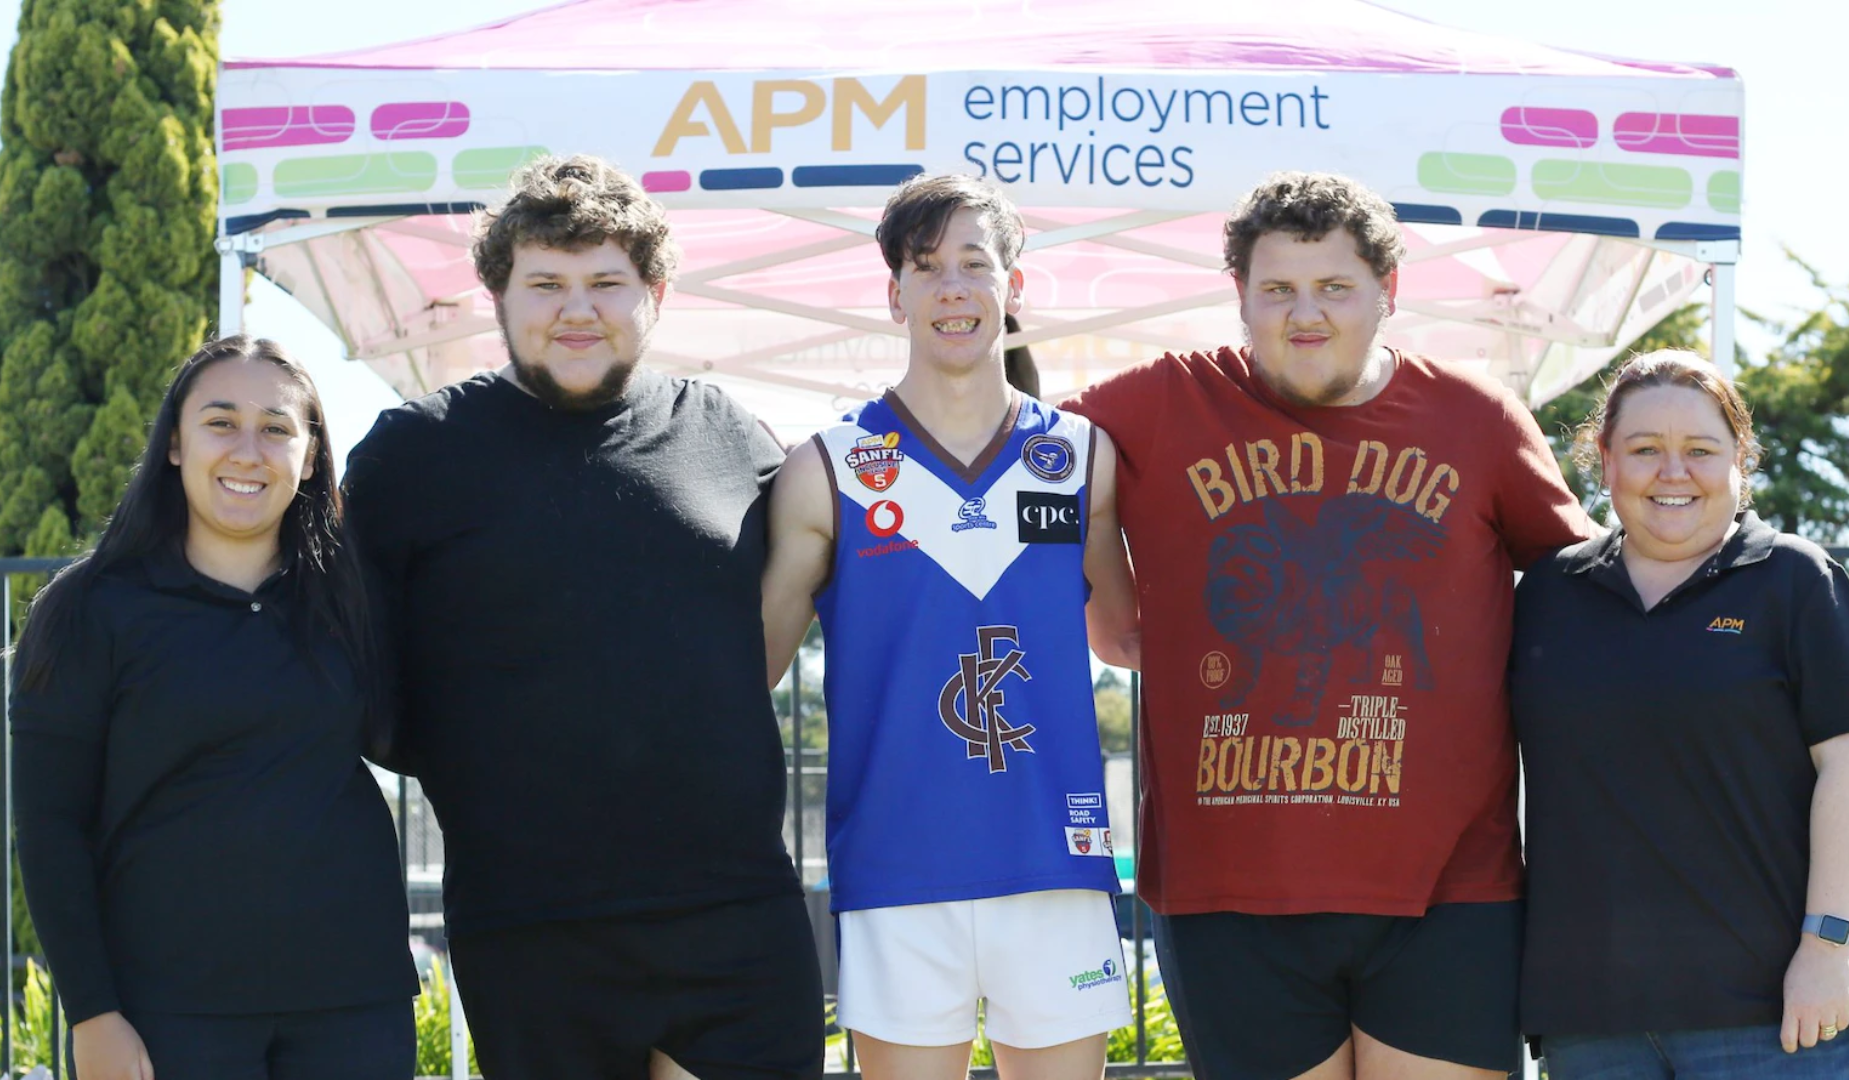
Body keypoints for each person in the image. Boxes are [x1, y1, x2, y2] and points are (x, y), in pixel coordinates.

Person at [1063, 171, 1597, 1080]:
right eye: (1276, 290)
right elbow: (1018, 472)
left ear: (1389, 293)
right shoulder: (1161, 403)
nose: (1303, 314)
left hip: (1447, 890)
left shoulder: (1474, 419)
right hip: (1229, 888)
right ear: (1239, 298)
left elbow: (1590, 590)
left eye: (1334, 288)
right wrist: (1111, 616)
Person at [343, 155, 821, 1080]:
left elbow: (835, 574)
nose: (577, 308)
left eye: (607, 282)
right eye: (546, 283)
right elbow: (343, 657)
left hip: (736, 914)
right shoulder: (415, 456)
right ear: (498, 295)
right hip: (531, 927)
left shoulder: (726, 432)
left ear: (656, 293)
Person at [761, 174, 1140, 1080]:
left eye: (976, 264)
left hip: (1055, 858)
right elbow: (747, 671)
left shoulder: (1082, 456)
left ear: (1015, 286)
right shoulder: (830, 467)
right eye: (927, 269)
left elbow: (1126, 642)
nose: (954, 289)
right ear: (894, 294)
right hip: (898, 869)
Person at [12, 335, 418, 1080]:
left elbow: (425, 739)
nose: (248, 450)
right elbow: (48, 825)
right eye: (221, 421)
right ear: (174, 444)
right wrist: (93, 1014)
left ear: (309, 453)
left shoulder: (355, 602)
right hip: (165, 1011)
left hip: (355, 1004)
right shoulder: (88, 610)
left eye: (276, 428)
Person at [1512, 349, 1849, 1078]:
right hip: (1593, 1021)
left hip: (1772, 1016)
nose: (1673, 472)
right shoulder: (1546, 596)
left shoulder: (1795, 580)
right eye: (1644, 450)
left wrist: (1824, 949)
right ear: (1604, 462)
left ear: (1740, 462)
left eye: (1700, 450)